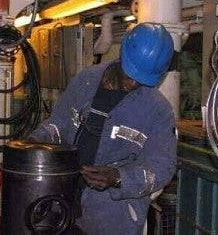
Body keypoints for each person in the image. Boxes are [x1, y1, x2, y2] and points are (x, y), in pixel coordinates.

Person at [27, 22, 177, 234]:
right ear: (122, 55)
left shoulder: (158, 110)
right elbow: (59, 123)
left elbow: (162, 167)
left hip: (112, 217)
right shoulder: (85, 81)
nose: (134, 84)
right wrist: (35, 142)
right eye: (130, 76)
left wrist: (118, 177)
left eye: (143, 80)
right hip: (62, 200)